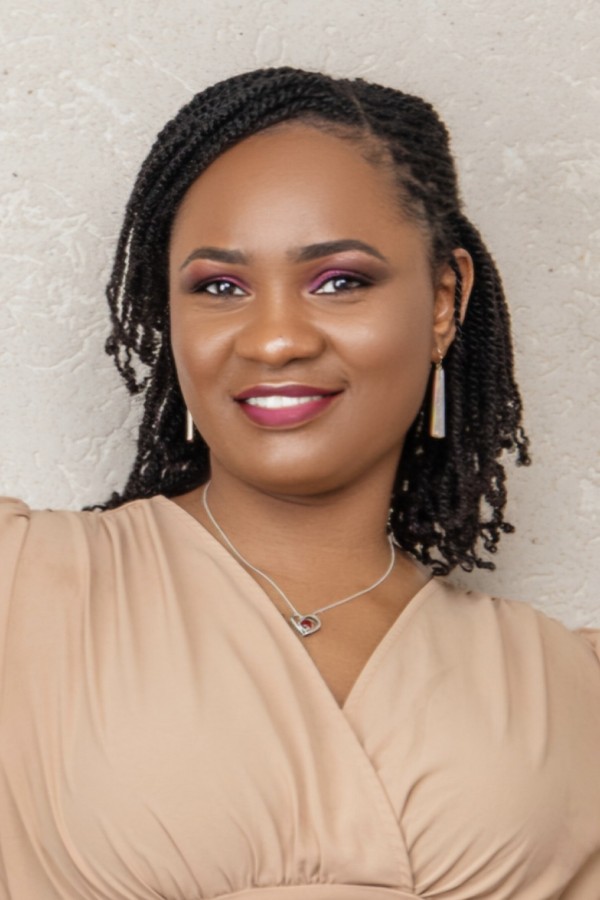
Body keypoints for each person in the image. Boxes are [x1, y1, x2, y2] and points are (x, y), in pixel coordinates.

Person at [0, 67, 598, 900]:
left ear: (443, 302)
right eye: (219, 287)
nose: (274, 339)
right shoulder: (21, 587)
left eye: (340, 281)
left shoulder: (570, 686)